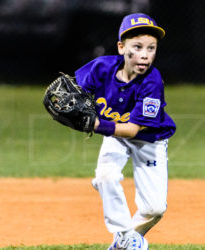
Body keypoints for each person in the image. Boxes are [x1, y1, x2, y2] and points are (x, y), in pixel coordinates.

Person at [74, 13, 176, 250]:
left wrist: (95, 124)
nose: (145, 54)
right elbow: (74, 90)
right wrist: (71, 108)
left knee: (155, 209)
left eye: (151, 48)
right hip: (115, 137)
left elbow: (132, 129)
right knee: (105, 177)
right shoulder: (102, 67)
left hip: (149, 140)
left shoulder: (152, 81)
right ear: (121, 47)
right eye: (137, 47)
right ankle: (125, 236)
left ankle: (123, 242)